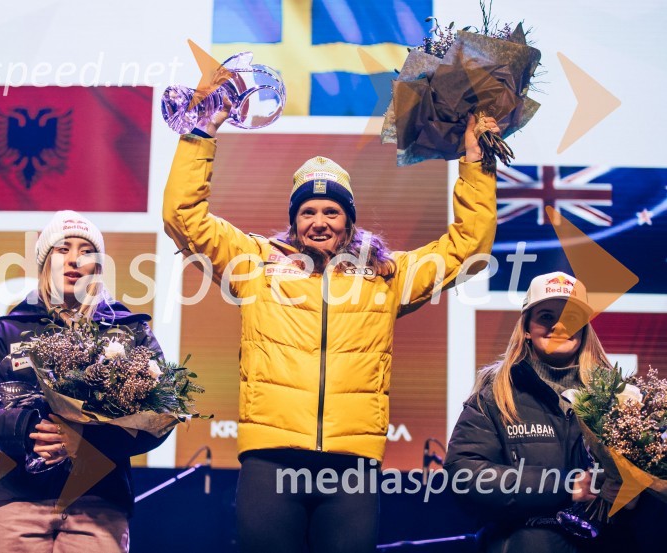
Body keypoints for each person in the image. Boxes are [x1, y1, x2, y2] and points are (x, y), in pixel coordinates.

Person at [163, 103, 500, 552]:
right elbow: (183, 218)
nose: (319, 222)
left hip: (351, 467)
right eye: (307, 212)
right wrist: (201, 133)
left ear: (349, 220)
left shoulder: (385, 276)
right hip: (271, 459)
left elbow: (468, 247)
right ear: (294, 220)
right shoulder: (256, 265)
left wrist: (476, 163)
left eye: (331, 211)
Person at [0, 210, 167, 553]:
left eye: (86, 251)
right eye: (62, 249)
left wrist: (87, 440)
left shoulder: (129, 331)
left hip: (99, 504)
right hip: (19, 501)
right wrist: (26, 429)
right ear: (44, 263)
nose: (74, 260)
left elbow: (161, 415)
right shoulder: (8, 330)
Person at [444, 271, 628, 552]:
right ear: (527, 328)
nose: (559, 325)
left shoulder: (618, 396)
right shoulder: (495, 394)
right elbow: (465, 475)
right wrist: (565, 486)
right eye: (546, 316)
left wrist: (632, 495)